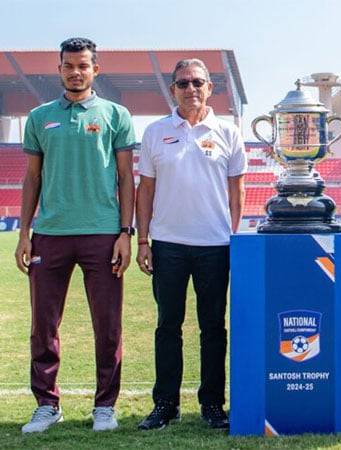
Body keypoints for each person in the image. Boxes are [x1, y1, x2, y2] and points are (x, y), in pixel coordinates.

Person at [15, 37, 136, 433]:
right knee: (43, 326)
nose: (76, 71)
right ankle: (47, 405)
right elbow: (32, 178)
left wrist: (124, 232)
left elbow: (125, 178)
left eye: (83, 65)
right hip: (50, 235)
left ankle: (105, 406)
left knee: (108, 324)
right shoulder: (39, 117)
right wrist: (24, 233)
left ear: (95, 69)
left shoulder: (116, 114)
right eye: (69, 65)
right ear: (60, 69)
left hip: (102, 234)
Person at [136, 59, 246, 430]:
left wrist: (232, 234)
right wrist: (143, 240)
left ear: (210, 88)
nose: (190, 88)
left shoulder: (228, 132)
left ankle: (213, 404)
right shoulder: (155, 132)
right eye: (182, 83)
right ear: (173, 90)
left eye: (198, 82)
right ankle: (165, 404)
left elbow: (237, 189)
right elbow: (145, 189)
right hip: (167, 244)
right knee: (168, 326)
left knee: (213, 328)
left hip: (215, 244)